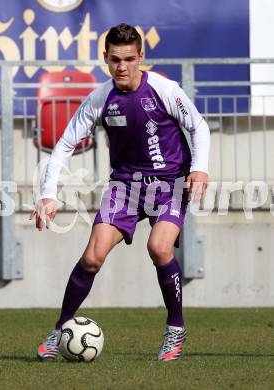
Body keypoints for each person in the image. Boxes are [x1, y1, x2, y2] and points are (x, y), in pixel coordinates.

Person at [32, 23, 210, 362]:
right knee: (91, 258)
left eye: (129, 59)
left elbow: (198, 125)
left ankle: (175, 328)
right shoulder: (101, 97)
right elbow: (67, 142)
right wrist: (48, 193)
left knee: (158, 248)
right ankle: (60, 330)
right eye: (115, 59)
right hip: (125, 187)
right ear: (106, 59)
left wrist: (200, 167)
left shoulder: (164, 89)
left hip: (170, 183)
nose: (122, 67)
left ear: (141, 57)